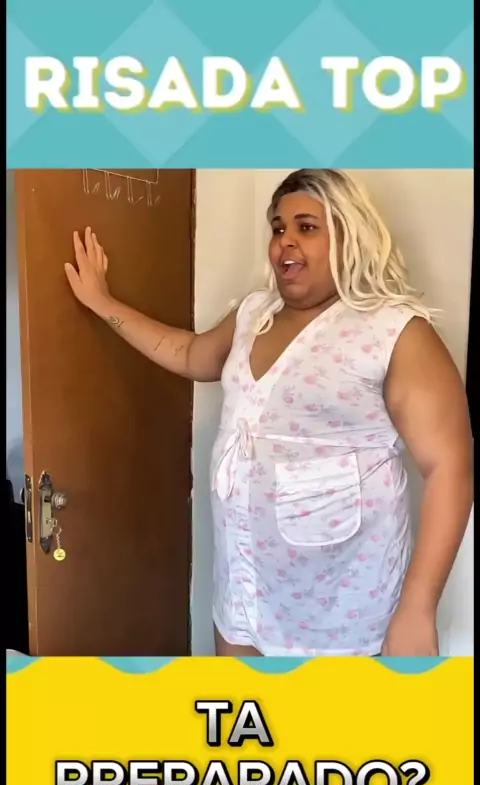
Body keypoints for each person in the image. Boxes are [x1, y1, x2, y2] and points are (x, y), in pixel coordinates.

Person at [64, 168, 473, 658]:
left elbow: (450, 467)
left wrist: (418, 607)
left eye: (307, 227)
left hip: (344, 613)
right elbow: (191, 354)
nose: (285, 241)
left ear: (349, 234)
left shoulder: (394, 331)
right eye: (278, 228)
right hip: (245, 594)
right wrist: (102, 303)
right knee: (247, 708)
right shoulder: (254, 314)